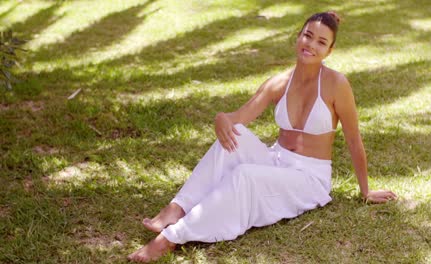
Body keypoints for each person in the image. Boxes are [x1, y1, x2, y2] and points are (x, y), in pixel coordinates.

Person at [128, 11, 397, 262]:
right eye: (307, 36)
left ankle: (172, 238)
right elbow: (239, 118)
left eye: (321, 42)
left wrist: (365, 190)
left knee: (246, 175)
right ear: (298, 36)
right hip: (276, 159)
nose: (311, 45)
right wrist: (221, 118)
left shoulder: (337, 84)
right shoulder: (279, 82)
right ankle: (178, 208)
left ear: (329, 50)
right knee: (236, 136)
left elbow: (353, 138)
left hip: (309, 178)